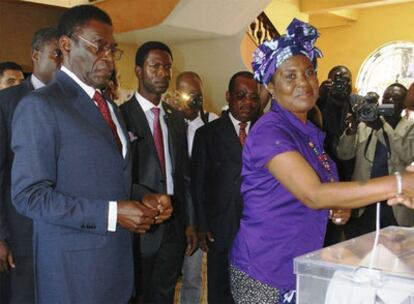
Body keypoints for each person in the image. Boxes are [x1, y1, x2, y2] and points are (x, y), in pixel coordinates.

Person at [228, 18, 414, 304]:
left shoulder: (310, 131)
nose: (304, 83)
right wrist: (398, 183)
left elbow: (317, 195)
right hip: (265, 270)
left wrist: (337, 208)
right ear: (271, 87)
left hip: (302, 263)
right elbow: (313, 194)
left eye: (309, 72)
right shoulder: (270, 130)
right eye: (290, 76)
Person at [10, 6, 171, 303]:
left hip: (117, 271)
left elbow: (102, 179)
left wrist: (141, 197)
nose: (108, 58)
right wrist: (113, 214)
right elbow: (29, 195)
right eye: (98, 46)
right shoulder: (41, 106)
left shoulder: (109, 107)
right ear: (66, 44)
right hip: (73, 277)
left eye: (112, 49)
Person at [120, 41, 196, 304]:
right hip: (139, 221)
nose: (163, 73)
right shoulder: (122, 116)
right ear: (139, 71)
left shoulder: (175, 117)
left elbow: (183, 174)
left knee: (165, 294)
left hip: (174, 223)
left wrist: (189, 221)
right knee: (136, 294)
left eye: (167, 67)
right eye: (155, 66)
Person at [0, 27, 61, 304]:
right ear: (36, 55)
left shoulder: (72, 103)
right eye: (56, 54)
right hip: (21, 230)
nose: (62, 62)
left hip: (63, 226)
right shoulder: (7, 102)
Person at [192, 70, 259, 303]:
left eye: (253, 97)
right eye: (241, 95)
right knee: (221, 291)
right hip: (220, 226)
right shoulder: (207, 134)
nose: (247, 102)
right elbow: (198, 183)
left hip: (258, 226)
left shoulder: (266, 133)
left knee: (253, 288)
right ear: (229, 96)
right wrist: (201, 225)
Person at [337, 83, 414, 237]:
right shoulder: (365, 126)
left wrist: (381, 127)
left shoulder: (410, 128)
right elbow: (344, 154)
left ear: (404, 104)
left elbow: (408, 154)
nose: (390, 100)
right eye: (387, 97)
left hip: (396, 203)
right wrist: (352, 127)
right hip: (364, 201)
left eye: (396, 98)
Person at [170, 71, 218, 304]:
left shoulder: (214, 123)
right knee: (166, 276)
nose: (191, 98)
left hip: (199, 213)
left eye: (195, 94)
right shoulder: (169, 122)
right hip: (172, 212)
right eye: (185, 93)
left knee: (192, 276)